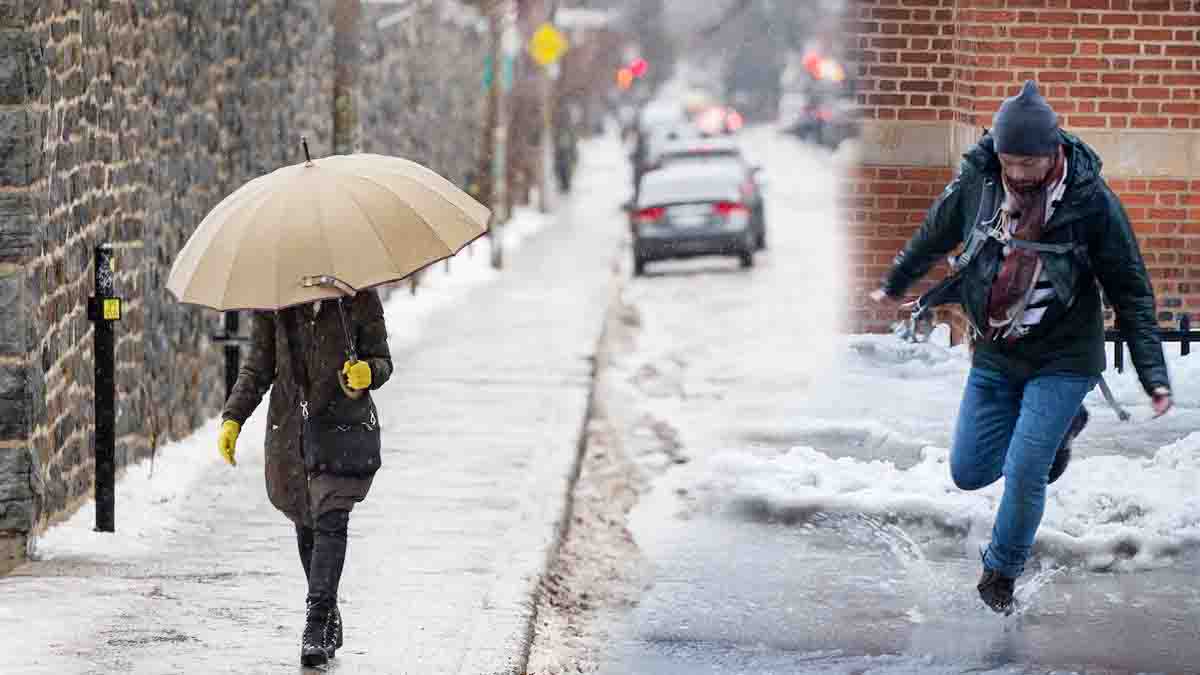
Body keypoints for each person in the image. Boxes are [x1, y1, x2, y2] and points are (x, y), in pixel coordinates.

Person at [871, 81, 1172, 614]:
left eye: (1030, 162)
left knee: (1026, 468)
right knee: (968, 471)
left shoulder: (1089, 199)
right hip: (996, 353)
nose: (1020, 173)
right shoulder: (979, 182)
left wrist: (1153, 375)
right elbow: (934, 235)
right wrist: (898, 281)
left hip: (1064, 357)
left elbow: (1130, 287)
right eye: (1011, 160)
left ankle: (1002, 572)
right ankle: (1060, 435)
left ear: (1053, 150)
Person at [216, 290, 392, 664]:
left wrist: (368, 373)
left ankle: (316, 621)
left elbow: (382, 361)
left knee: (331, 517)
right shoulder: (274, 297)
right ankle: (328, 612)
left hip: (341, 427)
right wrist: (233, 417)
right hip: (291, 431)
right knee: (307, 522)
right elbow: (258, 367)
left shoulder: (357, 293)